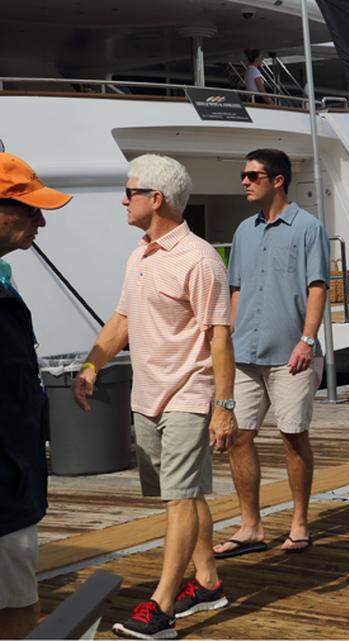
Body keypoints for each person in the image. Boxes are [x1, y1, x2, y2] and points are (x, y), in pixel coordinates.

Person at [72, 155, 235, 638]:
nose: (124, 200)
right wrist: (91, 366)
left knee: (179, 499)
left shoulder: (201, 259)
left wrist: (223, 408)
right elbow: (121, 320)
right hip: (147, 396)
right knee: (182, 494)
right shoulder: (139, 254)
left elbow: (220, 337)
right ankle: (207, 582)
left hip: (189, 391)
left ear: (155, 199)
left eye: (130, 192)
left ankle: (161, 607)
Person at [211, 149, 329, 559]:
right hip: (245, 352)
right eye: (244, 175)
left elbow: (318, 286)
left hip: (290, 352)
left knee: (293, 436)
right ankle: (251, 525)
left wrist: (307, 340)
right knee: (239, 436)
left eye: (253, 175)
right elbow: (237, 290)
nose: (244, 182)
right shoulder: (244, 231)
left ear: (277, 180)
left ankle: (299, 521)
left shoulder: (308, 228)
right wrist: (226, 342)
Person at [0, 154, 72, 639]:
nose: (40, 221)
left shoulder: (4, 280)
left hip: (14, 479)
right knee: (21, 615)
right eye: (30, 211)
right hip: (5, 489)